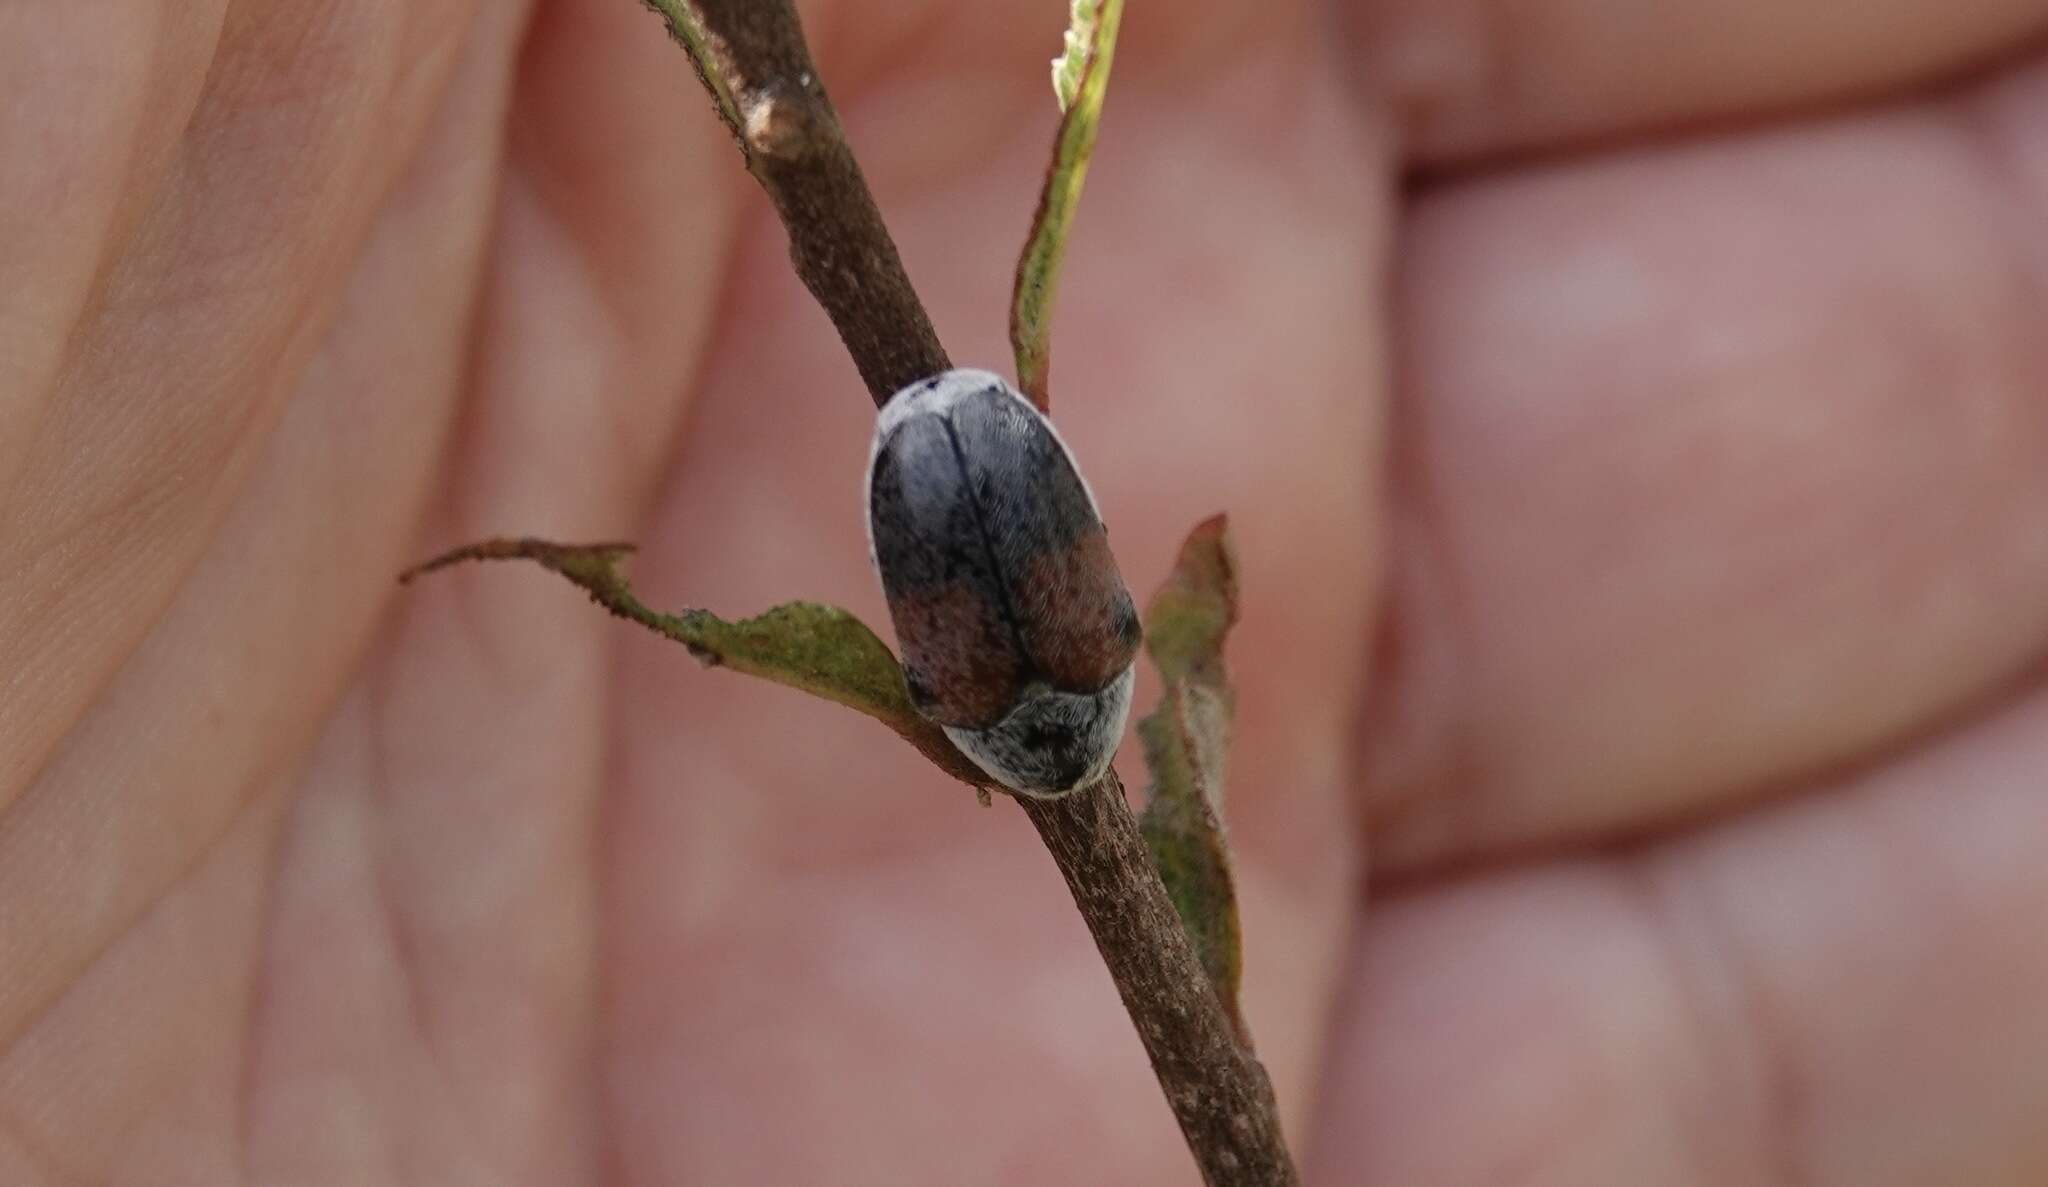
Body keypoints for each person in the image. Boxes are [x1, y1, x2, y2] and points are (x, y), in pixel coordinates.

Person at [4, 1, 2044, 1181]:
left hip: (983, 550)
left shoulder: (1062, 686)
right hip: (973, 534)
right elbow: (963, 447)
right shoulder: (1022, 685)